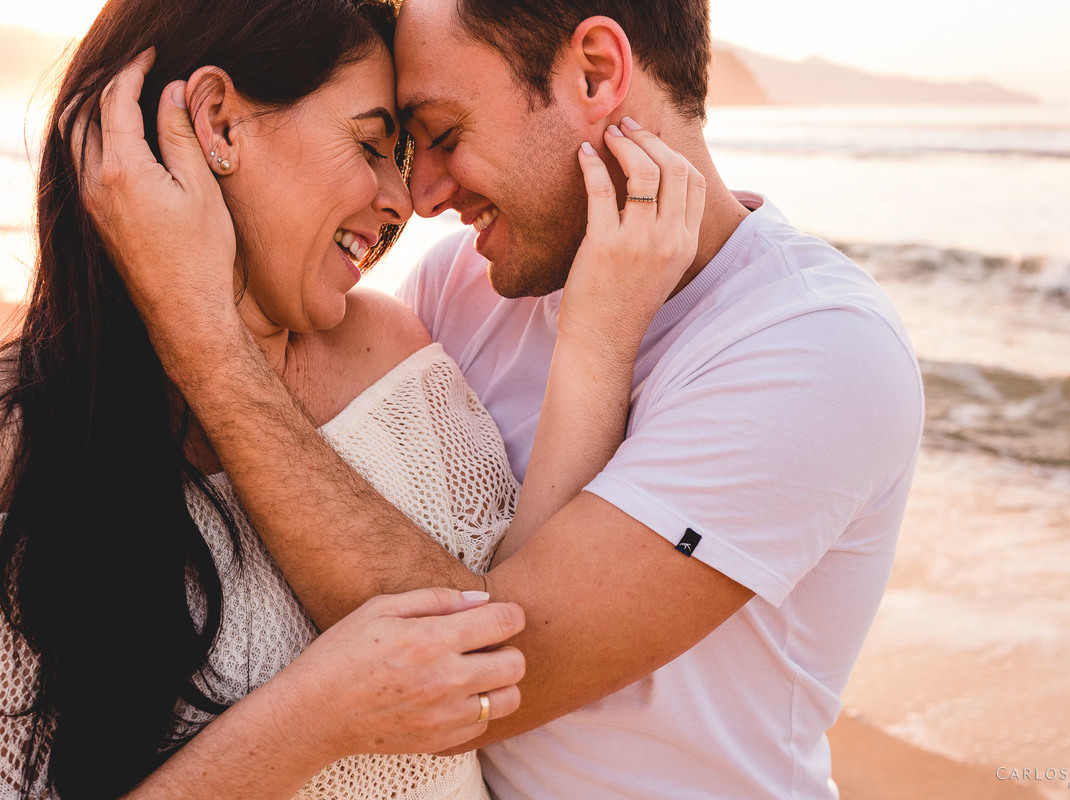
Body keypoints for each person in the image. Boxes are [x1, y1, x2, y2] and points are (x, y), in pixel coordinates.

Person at [80, 0, 925, 797]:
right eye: (403, 146)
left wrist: (193, 321)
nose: (422, 197)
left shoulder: (814, 346)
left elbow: (493, 673)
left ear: (596, 73)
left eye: (444, 134)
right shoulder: (461, 284)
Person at [1, 0, 702, 797]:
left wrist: (597, 334)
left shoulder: (388, 354)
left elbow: (514, 652)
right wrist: (313, 718)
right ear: (220, 123)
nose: (405, 199)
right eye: (371, 145)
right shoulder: (21, 442)